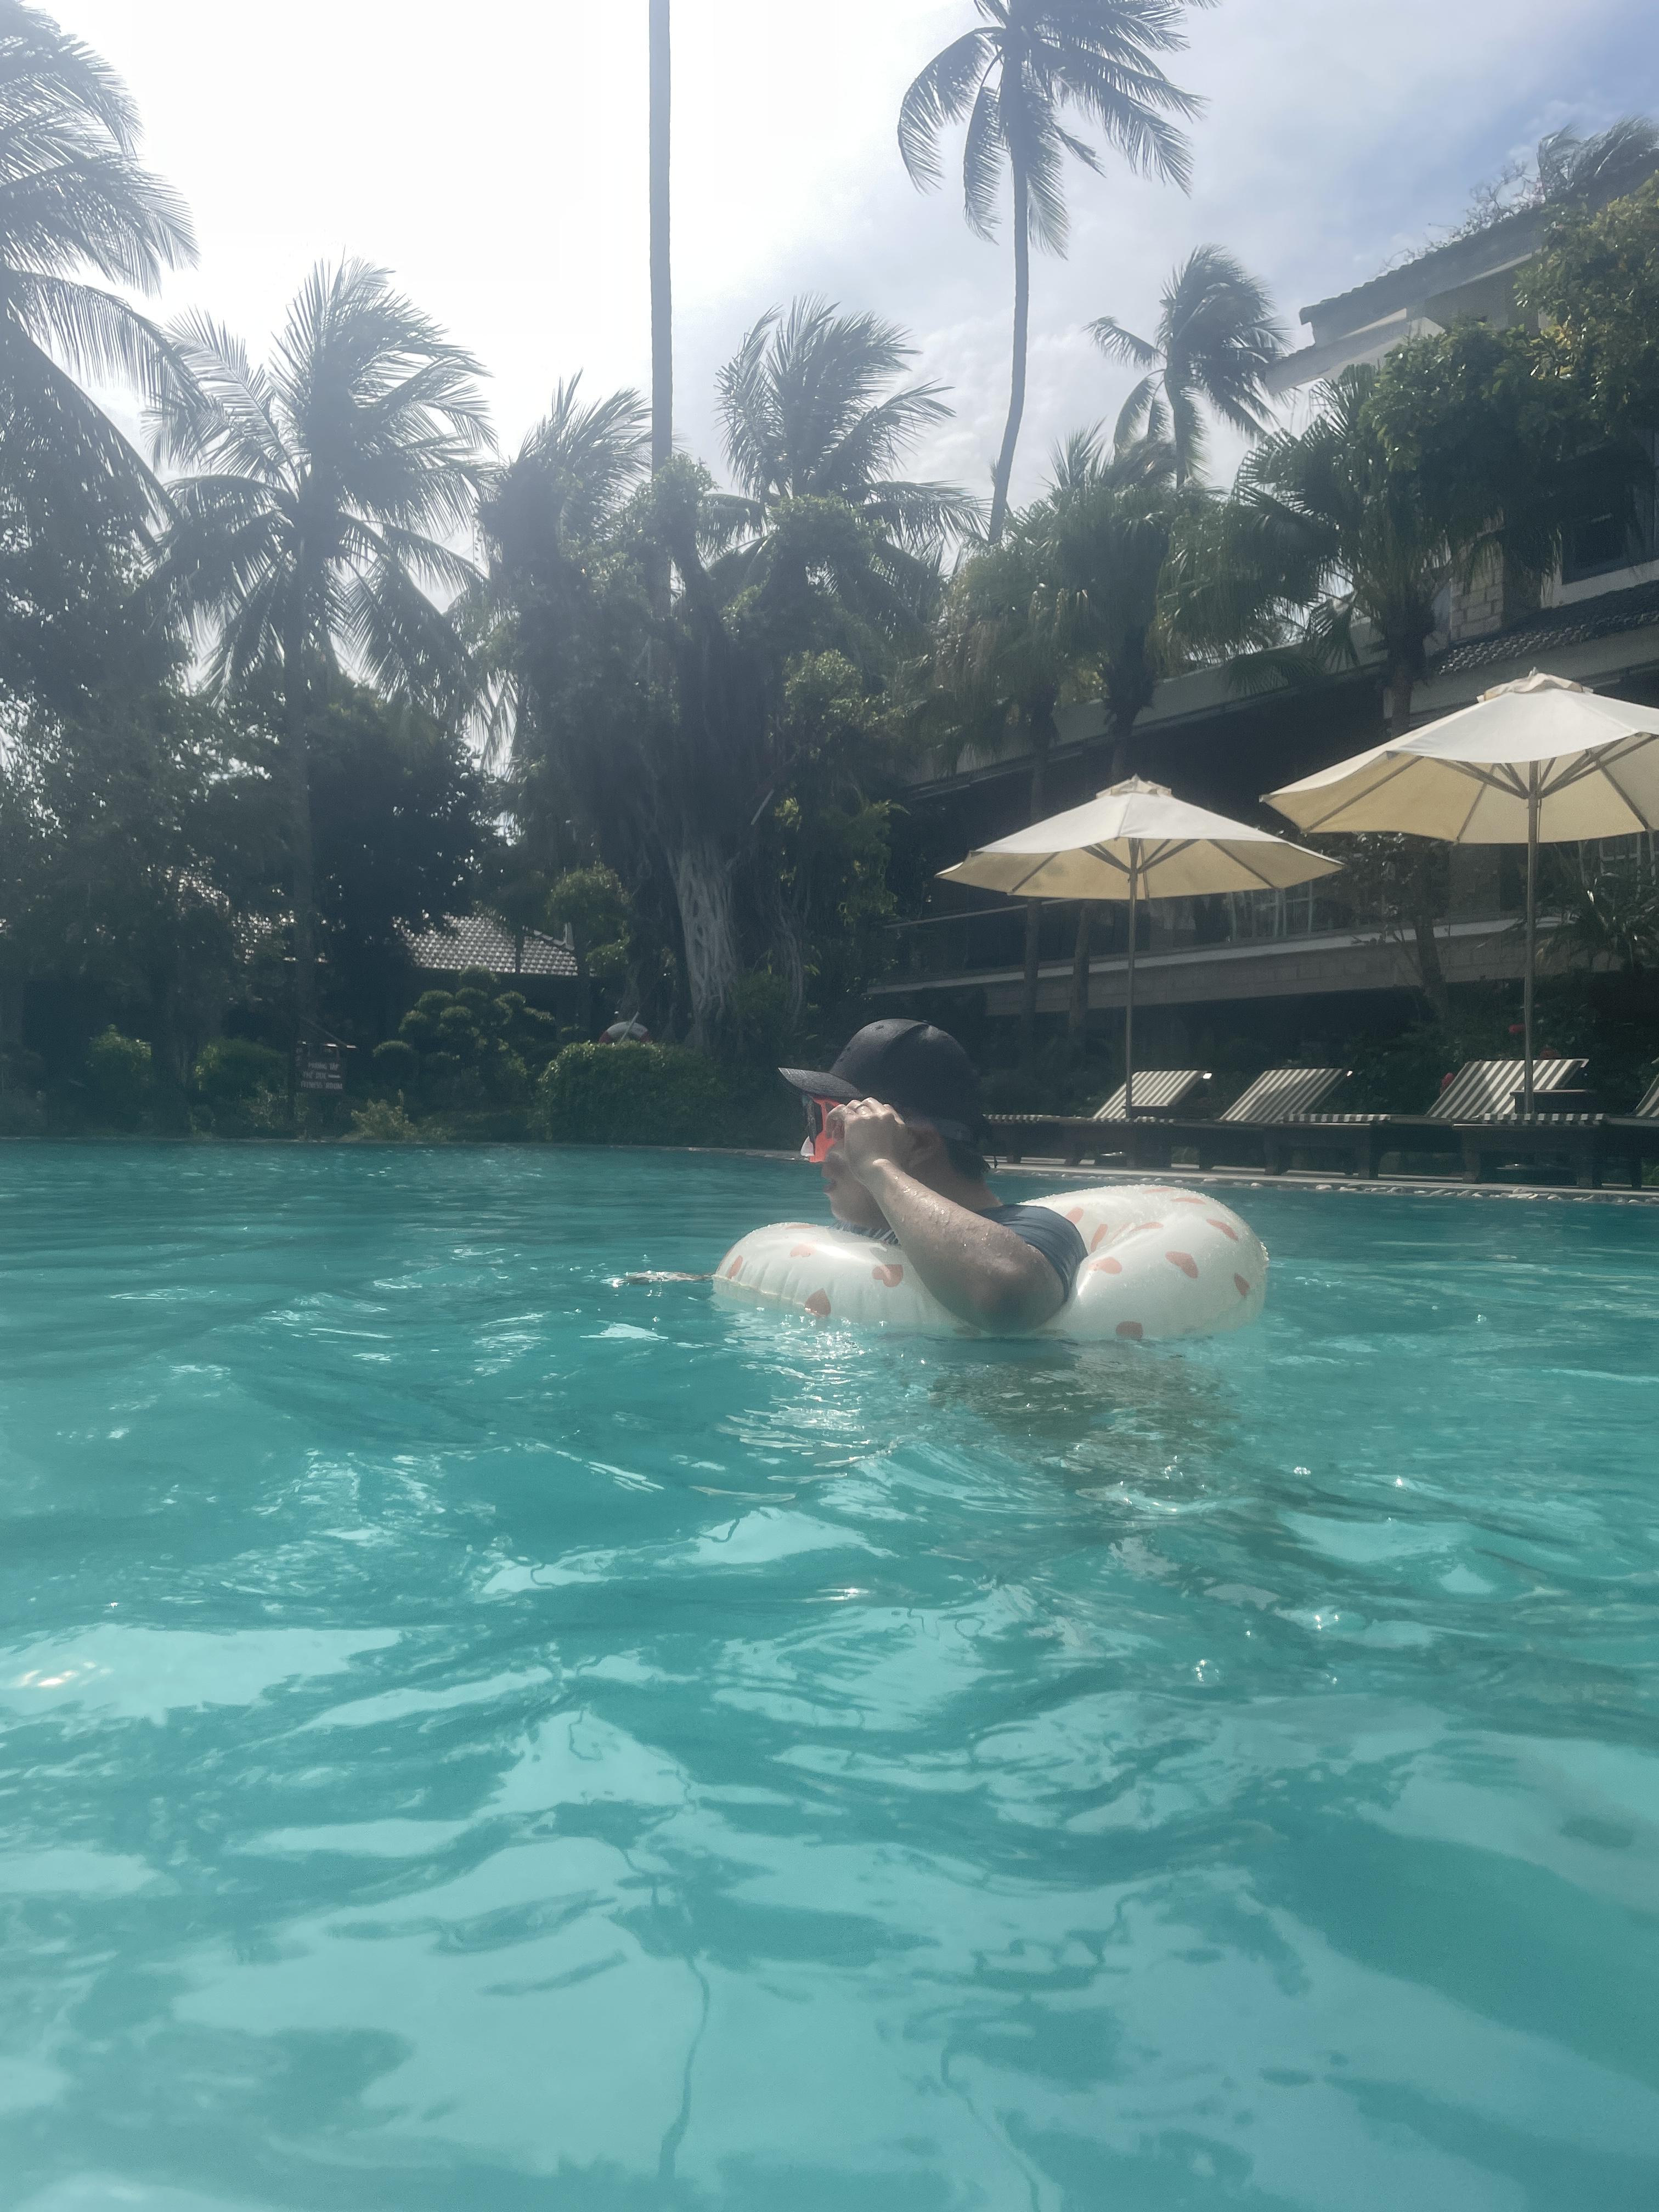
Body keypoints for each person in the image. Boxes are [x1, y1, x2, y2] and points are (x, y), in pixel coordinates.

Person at [780, 1019, 1085, 1335]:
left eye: (838, 1129)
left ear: (918, 1143)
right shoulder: (865, 1229)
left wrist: (878, 1165)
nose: (812, 1150)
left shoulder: (1042, 1232)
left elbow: (1008, 1299)